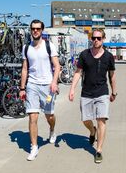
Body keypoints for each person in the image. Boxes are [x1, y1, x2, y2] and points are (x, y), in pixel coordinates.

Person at [68, 29, 117, 164]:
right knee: (85, 120)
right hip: (87, 93)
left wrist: (114, 92)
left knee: (102, 121)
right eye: (94, 38)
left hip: (102, 92)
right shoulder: (84, 55)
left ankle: (99, 150)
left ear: (103, 39)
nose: (96, 40)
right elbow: (78, 72)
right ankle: (92, 131)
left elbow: (112, 75)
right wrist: (72, 89)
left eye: (99, 38)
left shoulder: (108, 57)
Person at [19, 20, 60, 161]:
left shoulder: (49, 46)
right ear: (30, 30)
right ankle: (34, 147)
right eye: (33, 29)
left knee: (49, 116)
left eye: (38, 29)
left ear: (42, 30)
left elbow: (57, 66)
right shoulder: (26, 48)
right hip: (32, 85)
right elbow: (24, 69)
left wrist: (54, 82)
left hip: (47, 86)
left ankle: (52, 130)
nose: (35, 31)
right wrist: (22, 88)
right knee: (32, 117)